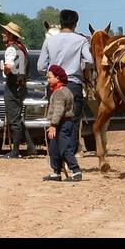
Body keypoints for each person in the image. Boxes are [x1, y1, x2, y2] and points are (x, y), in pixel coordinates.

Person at [37, 9, 94, 152]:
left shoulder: (49, 41)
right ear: (75, 24)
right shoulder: (81, 41)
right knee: (73, 123)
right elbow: (90, 61)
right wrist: (79, 67)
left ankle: (56, 162)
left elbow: (40, 66)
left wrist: (51, 75)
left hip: (55, 86)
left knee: (54, 120)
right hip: (73, 85)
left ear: (60, 22)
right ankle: (70, 157)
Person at [0, 21, 35, 158]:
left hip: (13, 86)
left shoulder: (10, 49)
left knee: (13, 119)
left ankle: (15, 151)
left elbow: (9, 67)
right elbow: (20, 67)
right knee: (17, 117)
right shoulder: (22, 47)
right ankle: (31, 146)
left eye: (5, 32)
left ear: (10, 35)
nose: (2, 34)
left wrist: (4, 68)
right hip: (22, 86)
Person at [43, 65, 81, 182]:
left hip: (62, 124)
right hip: (62, 123)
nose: (48, 80)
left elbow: (58, 111)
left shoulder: (59, 93)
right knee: (54, 148)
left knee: (65, 148)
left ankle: (76, 171)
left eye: (49, 77)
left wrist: (53, 125)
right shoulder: (66, 90)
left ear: (58, 78)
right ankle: (56, 172)